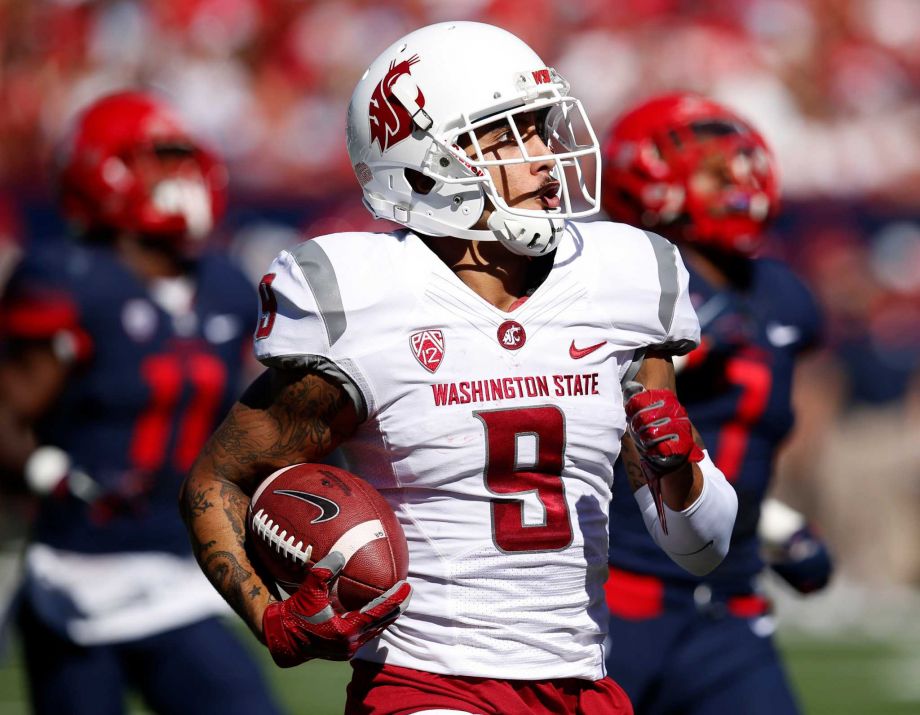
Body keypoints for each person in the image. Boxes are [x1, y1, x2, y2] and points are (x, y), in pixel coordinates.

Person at [180, 22, 738, 715]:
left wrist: (680, 469)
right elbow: (219, 478)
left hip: (582, 680)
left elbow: (701, 548)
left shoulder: (622, 279)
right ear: (422, 164)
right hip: (428, 684)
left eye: (540, 129)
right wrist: (270, 615)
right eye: (505, 136)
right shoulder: (369, 298)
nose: (542, 157)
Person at [0, 91, 282, 715]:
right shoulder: (67, 276)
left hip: (178, 569)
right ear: (101, 170)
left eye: (184, 158)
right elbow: (7, 410)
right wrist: (44, 471)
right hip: (76, 570)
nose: (180, 177)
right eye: (160, 159)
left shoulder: (226, 286)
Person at [601, 93, 834, 715]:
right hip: (619, 598)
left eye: (744, 166)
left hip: (730, 605)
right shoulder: (620, 283)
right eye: (717, 171)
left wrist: (777, 528)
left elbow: (733, 446)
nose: (742, 184)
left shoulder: (780, 295)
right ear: (650, 184)